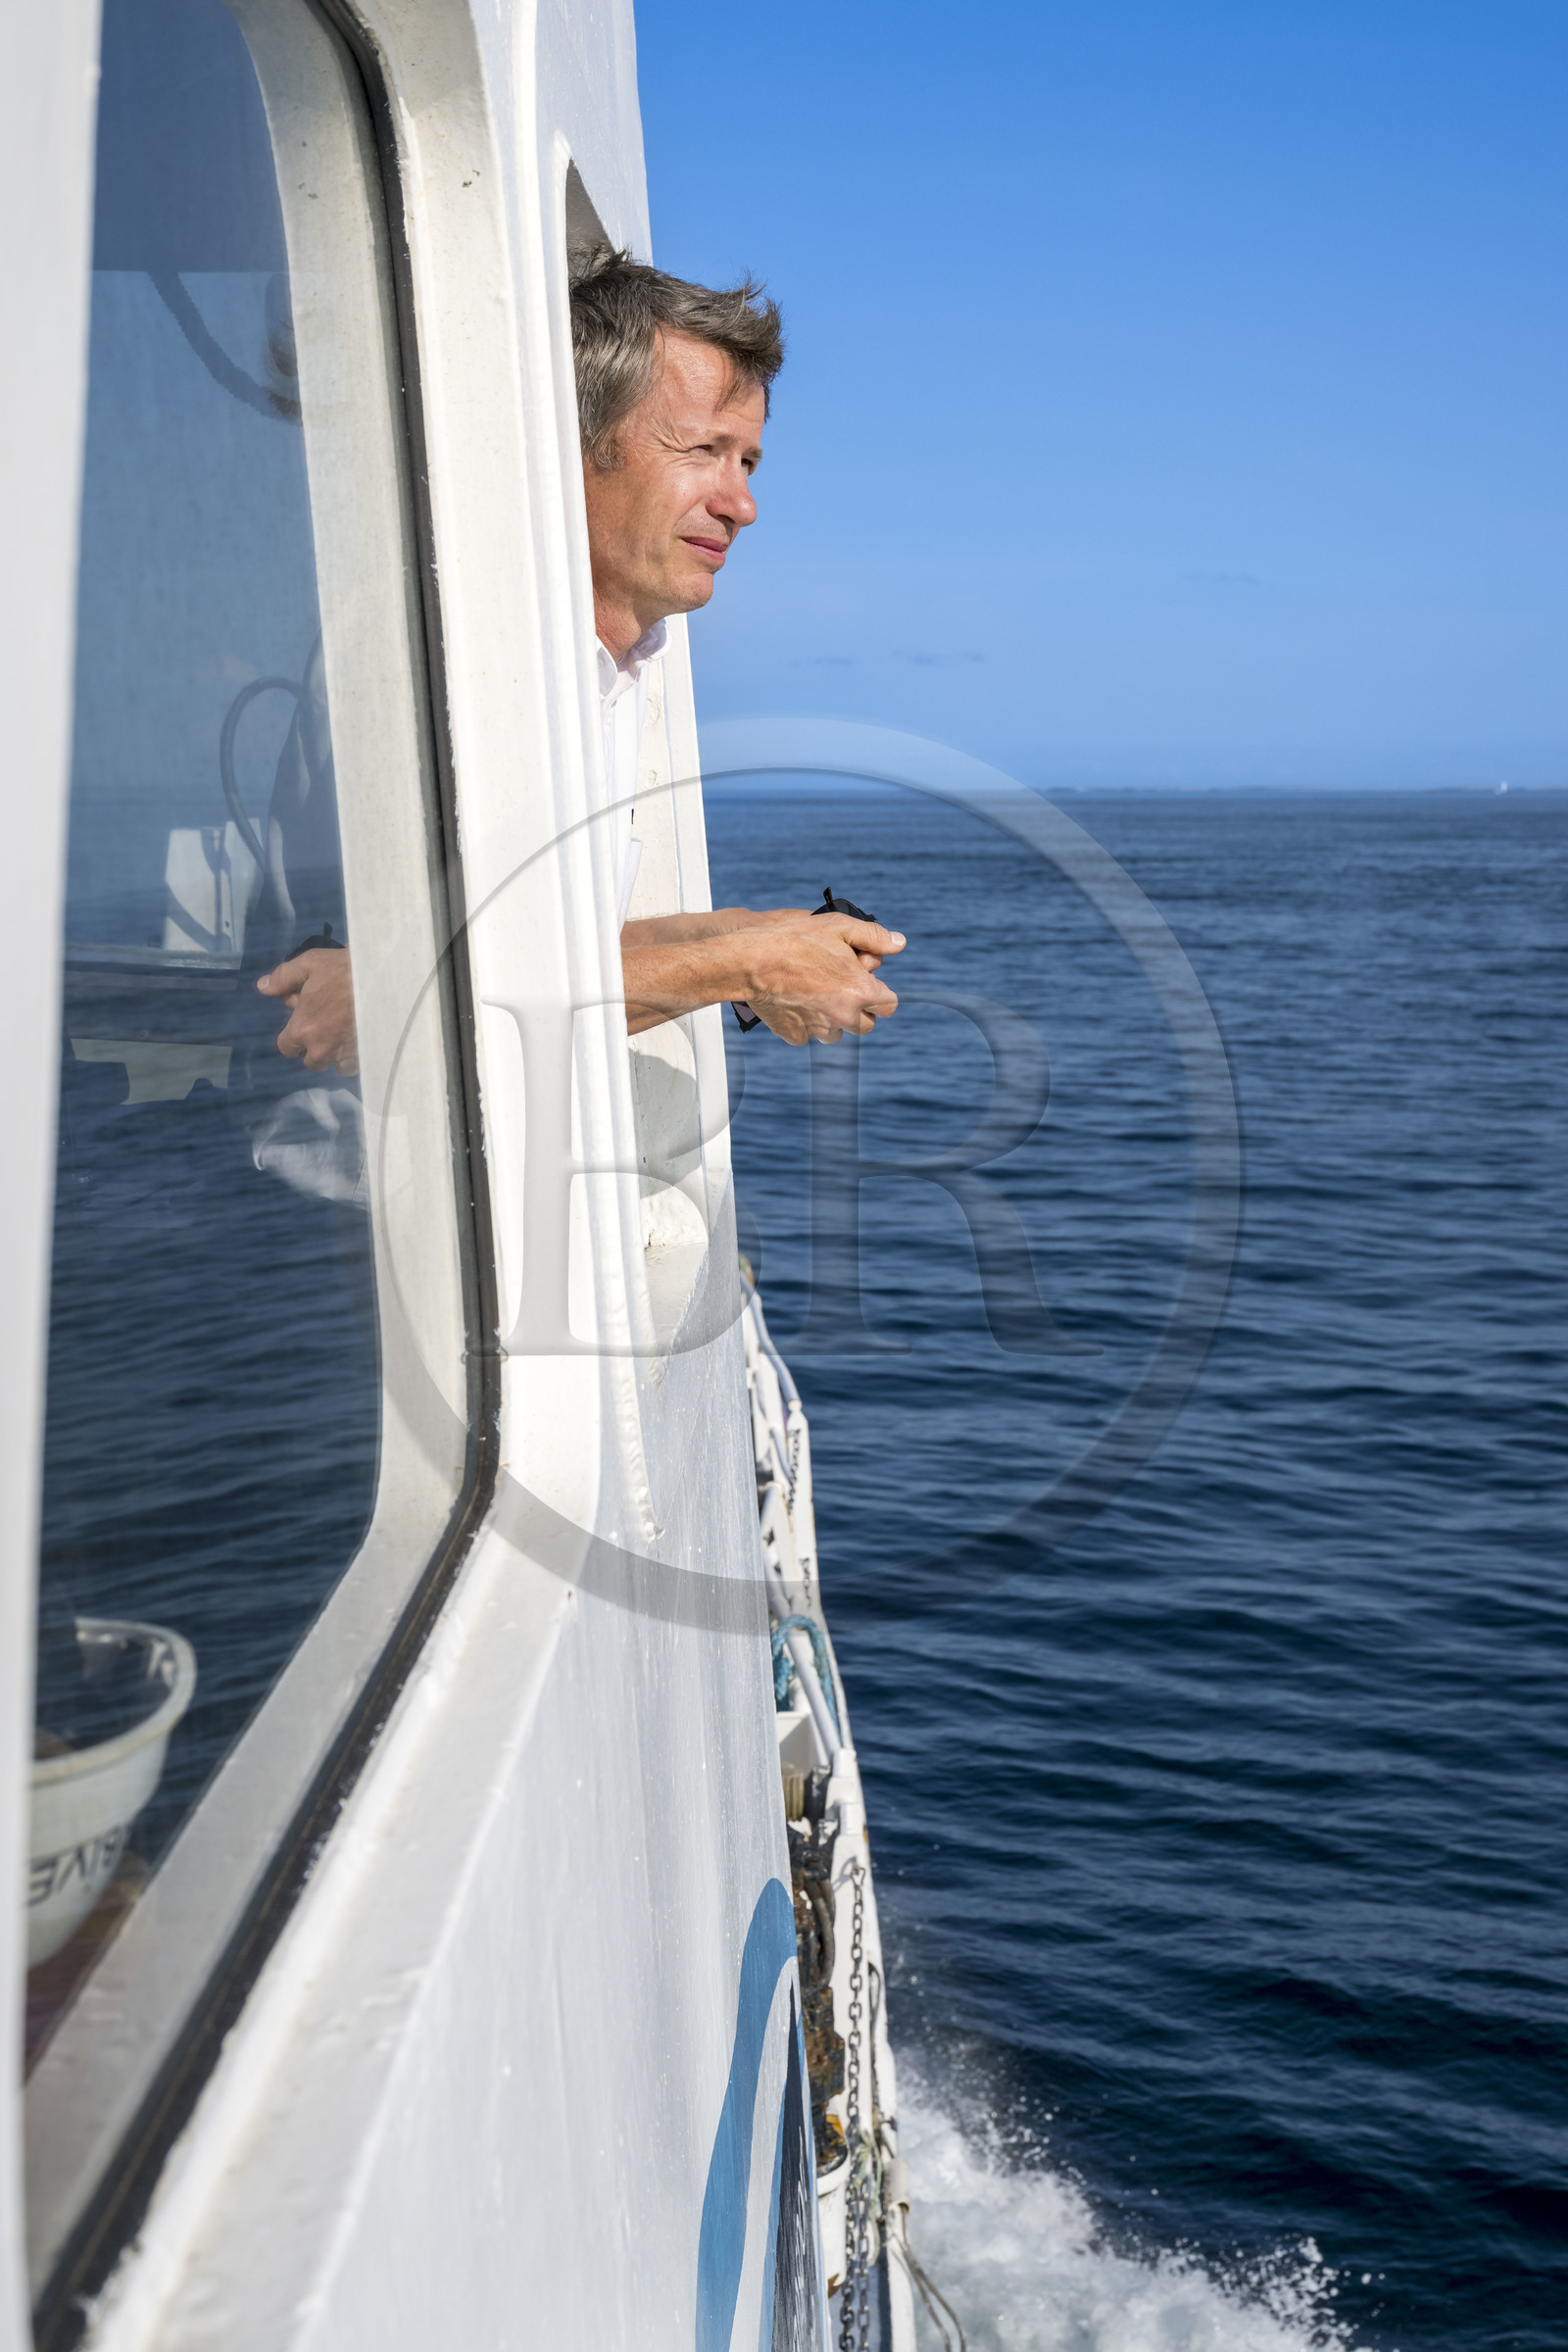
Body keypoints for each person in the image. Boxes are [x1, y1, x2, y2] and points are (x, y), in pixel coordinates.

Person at [255, 246, 904, 1069]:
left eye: (747, 462)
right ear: (573, 446)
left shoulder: (612, 667)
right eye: (702, 450)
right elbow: (390, 997)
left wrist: (744, 937)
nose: (741, 504)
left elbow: (534, 945)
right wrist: (744, 964)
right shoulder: (457, 662)